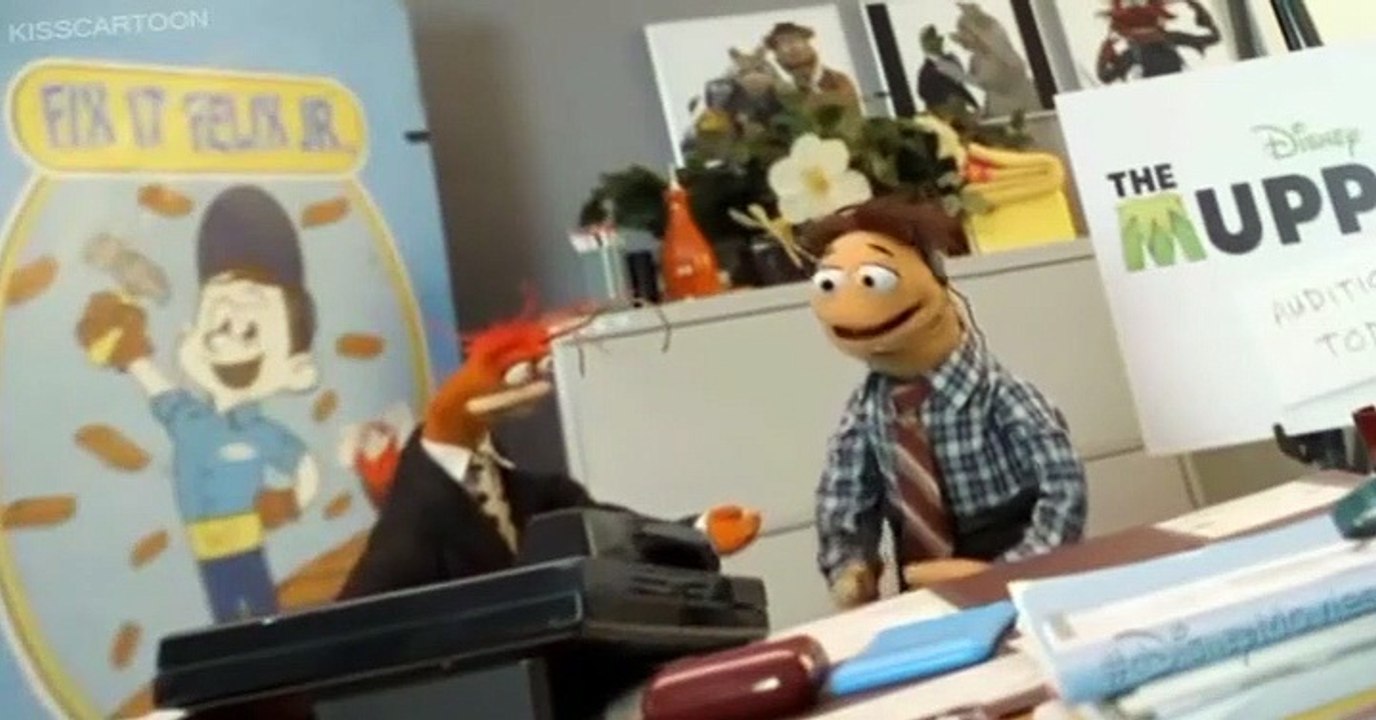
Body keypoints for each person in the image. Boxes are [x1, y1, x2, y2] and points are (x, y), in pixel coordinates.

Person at [802, 197, 1087, 608]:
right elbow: (844, 491)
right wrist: (849, 563)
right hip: (919, 586)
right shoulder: (867, 409)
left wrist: (1019, 570)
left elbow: (1062, 485)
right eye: (828, 283)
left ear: (936, 281)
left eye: (873, 279)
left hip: (1011, 566)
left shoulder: (1001, 394)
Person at [77, 185, 321, 623]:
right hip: (206, 549)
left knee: (262, 612)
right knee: (225, 619)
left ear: (297, 369)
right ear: (189, 336)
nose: (224, 340)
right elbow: (157, 386)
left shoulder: (263, 434)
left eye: (248, 330)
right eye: (218, 323)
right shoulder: (189, 419)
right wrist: (128, 351)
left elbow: (303, 464)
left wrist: (291, 501)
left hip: (246, 545)